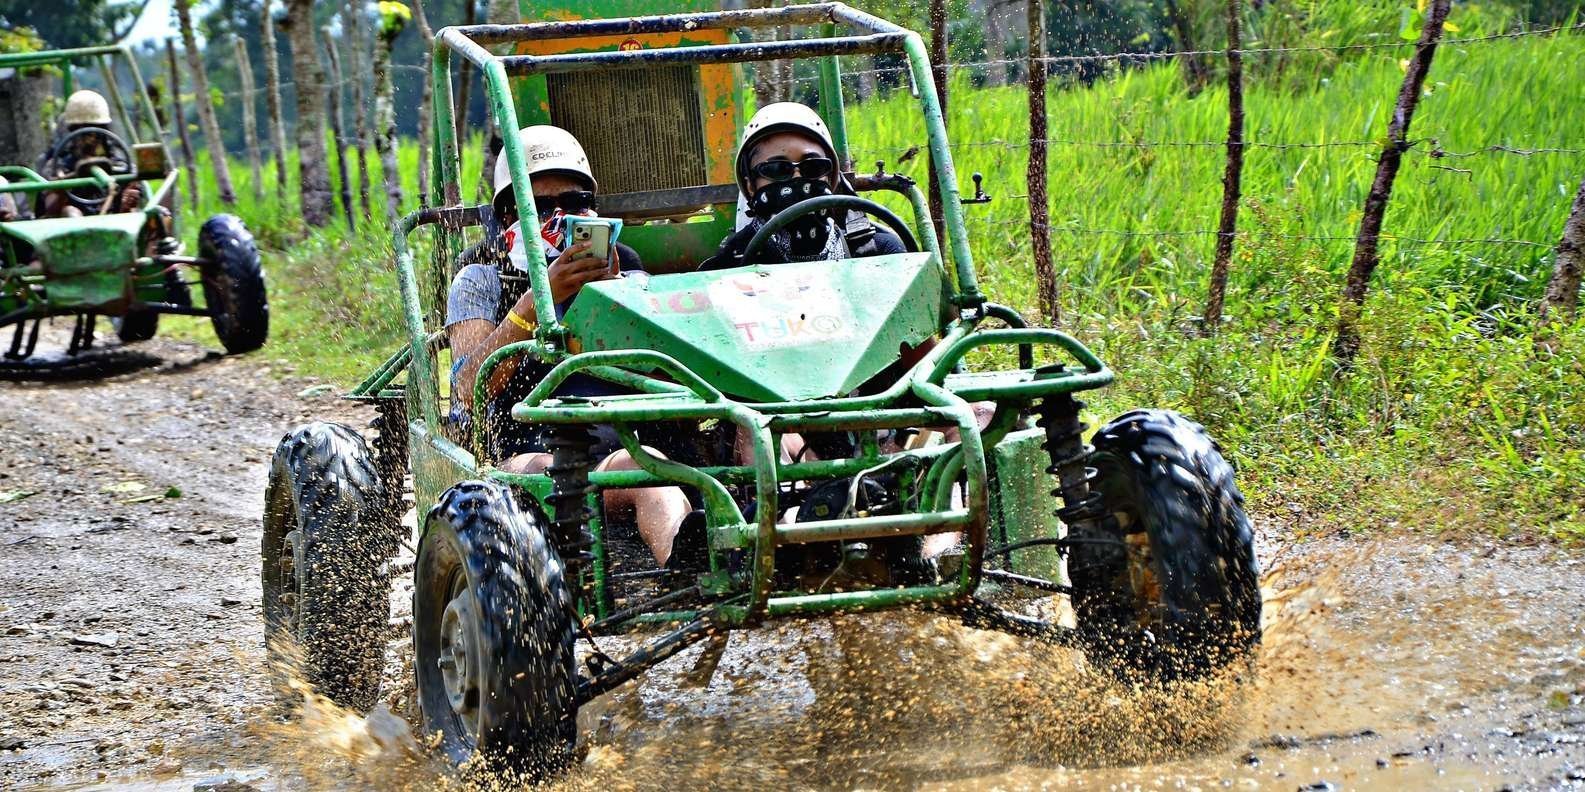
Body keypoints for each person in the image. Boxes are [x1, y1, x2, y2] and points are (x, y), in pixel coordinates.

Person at [446, 125, 699, 568]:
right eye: (541, 207)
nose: (560, 216)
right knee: (548, 472)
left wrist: (618, 300)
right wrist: (538, 300)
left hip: (621, 451)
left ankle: (685, 567)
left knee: (649, 471)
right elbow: (469, 387)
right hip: (525, 454)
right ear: (509, 216)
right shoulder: (482, 279)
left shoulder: (628, 274)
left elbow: (673, 377)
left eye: (575, 203)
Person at [702, 102, 907, 269]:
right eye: (778, 169)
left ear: (830, 178)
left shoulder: (879, 254)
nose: (797, 178)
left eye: (813, 166)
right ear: (750, 186)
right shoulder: (730, 265)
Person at [37, 90, 141, 218]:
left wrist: (126, 203)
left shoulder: (121, 167)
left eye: (95, 132)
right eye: (81, 131)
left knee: (152, 215)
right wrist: (60, 190)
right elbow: (50, 210)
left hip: (113, 221)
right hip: (71, 225)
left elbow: (130, 198)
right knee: (70, 213)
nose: (89, 140)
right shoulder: (57, 167)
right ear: (71, 132)